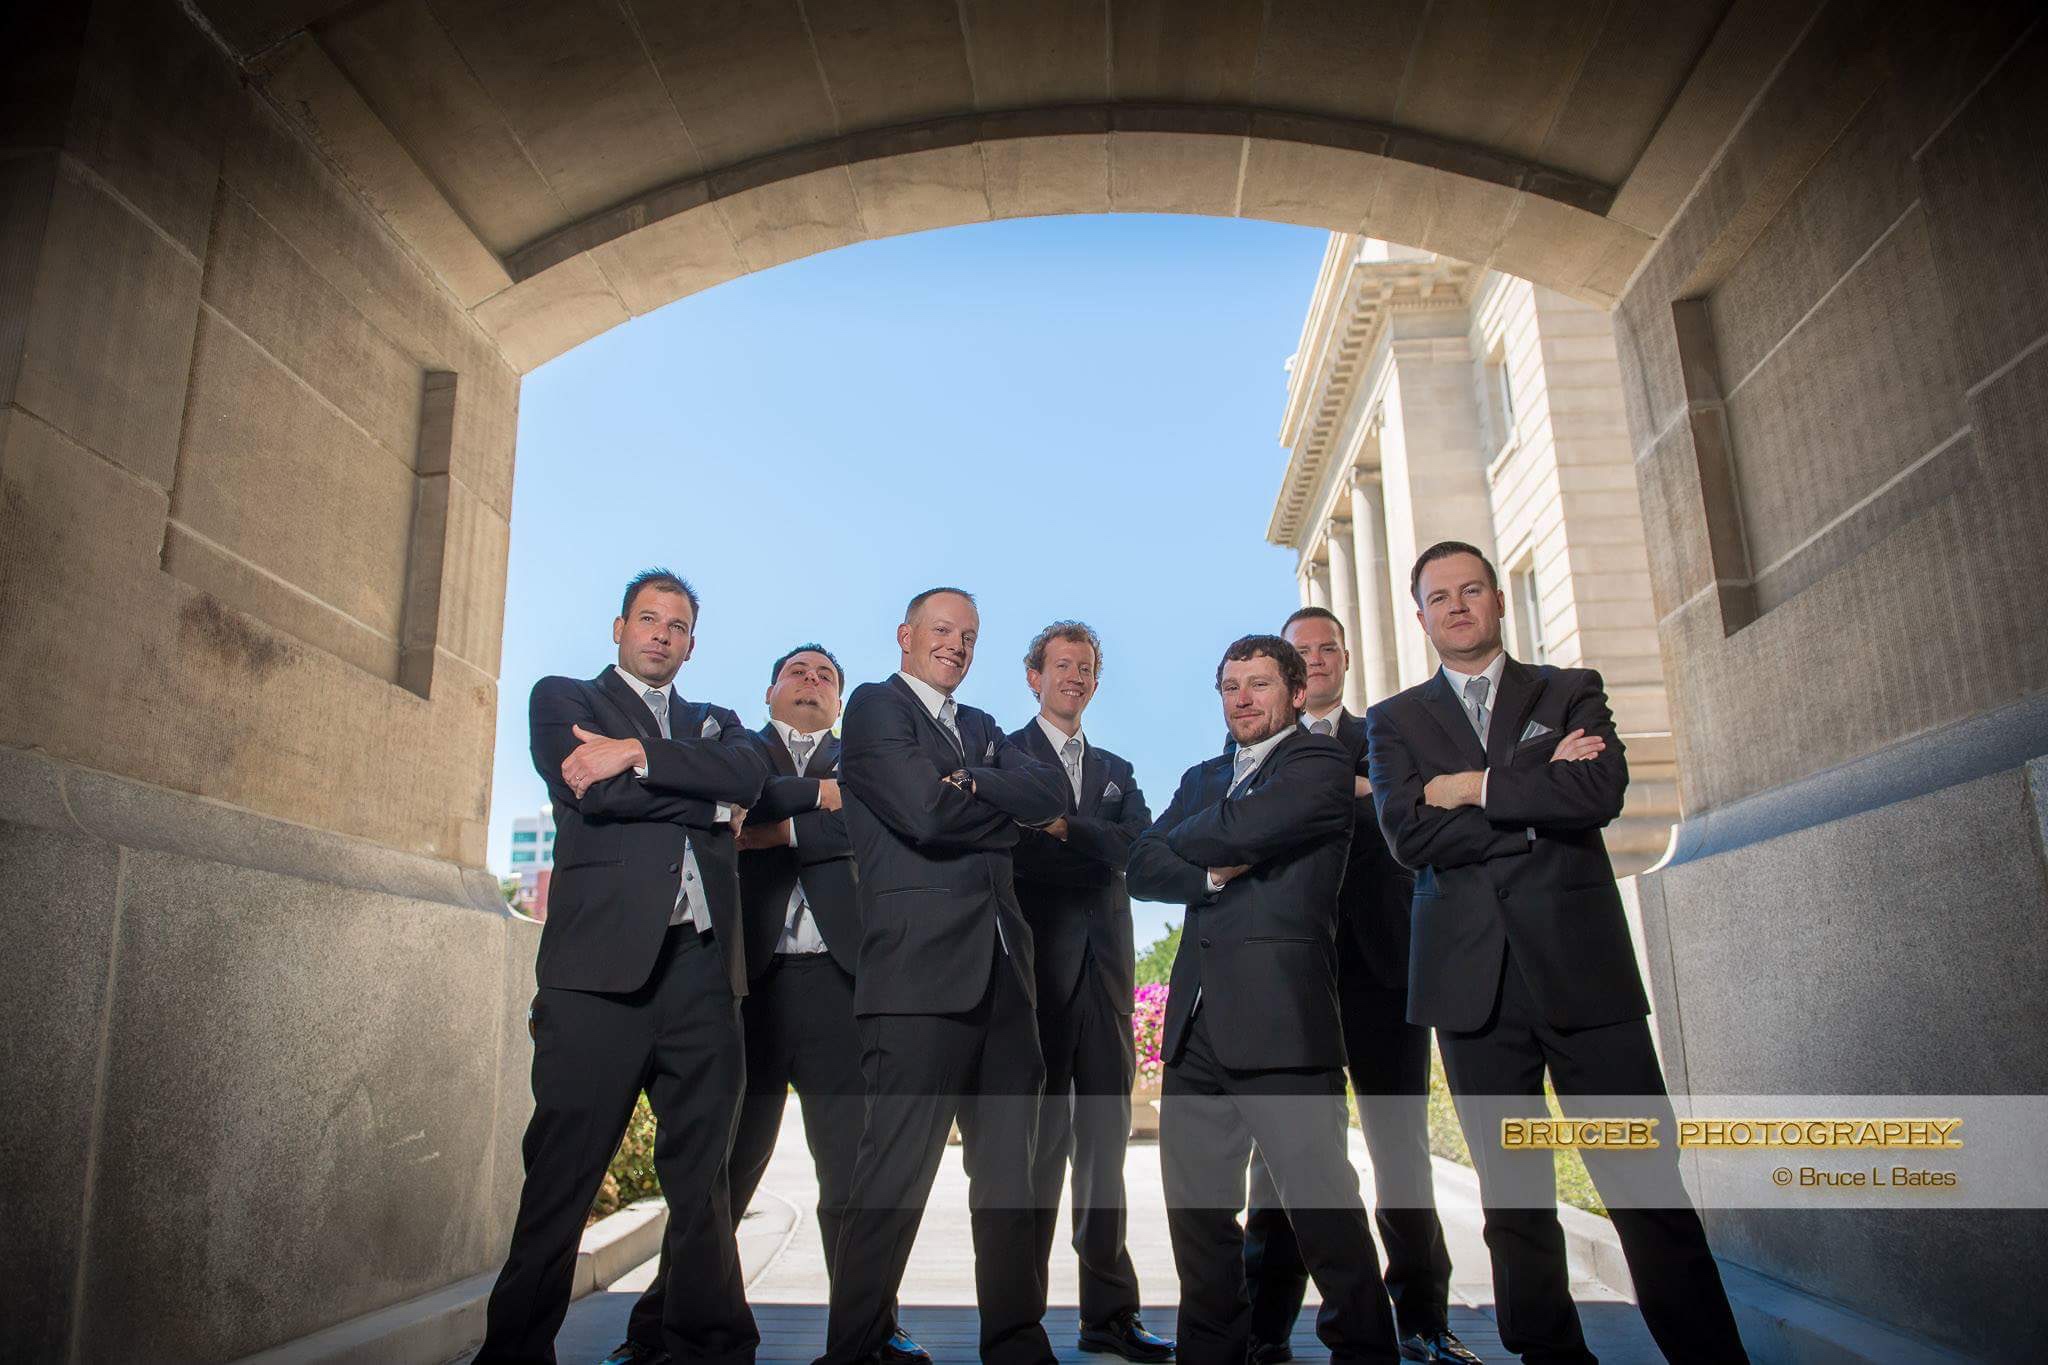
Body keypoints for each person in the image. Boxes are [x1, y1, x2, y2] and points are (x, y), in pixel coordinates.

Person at [1366, 541, 1748, 1365]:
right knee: (1514, 1203)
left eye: (1472, 589)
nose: (1458, 605)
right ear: (1421, 615)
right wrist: (1536, 796)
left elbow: (1597, 793)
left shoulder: (1570, 689)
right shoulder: (1393, 721)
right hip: (1472, 989)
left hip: (1586, 978)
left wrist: (1469, 787)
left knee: (1646, 1188)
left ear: (1499, 600)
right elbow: (1407, 835)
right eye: (1440, 596)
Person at [478, 569, 770, 1365]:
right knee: (561, 1178)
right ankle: (514, 1354)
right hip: (597, 979)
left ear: (691, 644)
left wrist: (638, 754)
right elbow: (595, 796)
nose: (661, 635)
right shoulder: (563, 698)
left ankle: (708, 1347)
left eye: (677, 626)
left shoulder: (720, 721)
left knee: (703, 1183)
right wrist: (710, 803)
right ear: (619, 627)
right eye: (648, 619)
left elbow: (751, 777)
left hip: (704, 973)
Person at [606, 645, 929, 1365]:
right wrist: (819, 802)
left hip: (842, 986)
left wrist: (779, 829)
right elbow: (733, 801)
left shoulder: (867, 759)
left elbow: (884, 822)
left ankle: (872, 1330)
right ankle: (658, 1327)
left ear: (840, 702)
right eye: (798, 673)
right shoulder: (738, 750)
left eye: (826, 677)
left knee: (852, 1175)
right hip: (745, 985)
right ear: (769, 691)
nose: (811, 683)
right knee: (717, 1174)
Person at [1127, 635, 1402, 1365]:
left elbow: (1244, 827)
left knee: (1325, 1217)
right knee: (1198, 1220)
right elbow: (1142, 865)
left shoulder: (1320, 763)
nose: (1242, 699)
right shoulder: (1201, 776)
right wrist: (1213, 870)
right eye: (1230, 686)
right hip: (1195, 1029)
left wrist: (1194, 840)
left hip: (1285, 1023)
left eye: (1258, 684)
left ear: (1296, 692)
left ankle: (1366, 1352)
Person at [819, 588, 1071, 1365]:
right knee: (892, 1176)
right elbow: (924, 814)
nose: (956, 644)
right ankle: (855, 1348)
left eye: (969, 635)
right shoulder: (875, 708)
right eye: (942, 629)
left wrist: (973, 784)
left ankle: (1017, 1344)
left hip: (1005, 976)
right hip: (916, 978)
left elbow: (1051, 793)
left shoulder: (985, 727)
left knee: (1010, 1178)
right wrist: (993, 809)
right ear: (906, 634)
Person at [1240, 608, 1477, 1365]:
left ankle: (1423, 1320)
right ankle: (1263, 1328)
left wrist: (1361, 790)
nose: (1315, 659)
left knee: (1401, 1150)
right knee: (1279, 1160)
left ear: (1344, 657)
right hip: (1294, 978)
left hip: (1383, 975)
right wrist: (1359, 791)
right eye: (1301, 650)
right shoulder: (1253, 746)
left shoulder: (1388, 733)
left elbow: (1410, 817)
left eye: (1327, 648)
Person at [1007, 623, 1173, 1362]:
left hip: (1105, 980)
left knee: (1105, 1153)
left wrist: (1062, 827)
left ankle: (1108, 1315)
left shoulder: (1117, 769)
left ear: (1096, 683)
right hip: (1034, 979)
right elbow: (1011, 844)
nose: (1073, 676)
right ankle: (1019, 1321)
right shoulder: (1002, 756)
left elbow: (1140, 850)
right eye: (1061, 665)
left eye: (1085, 668)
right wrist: (1092, 840)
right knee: (1034, 1157)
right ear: (1034, 676)